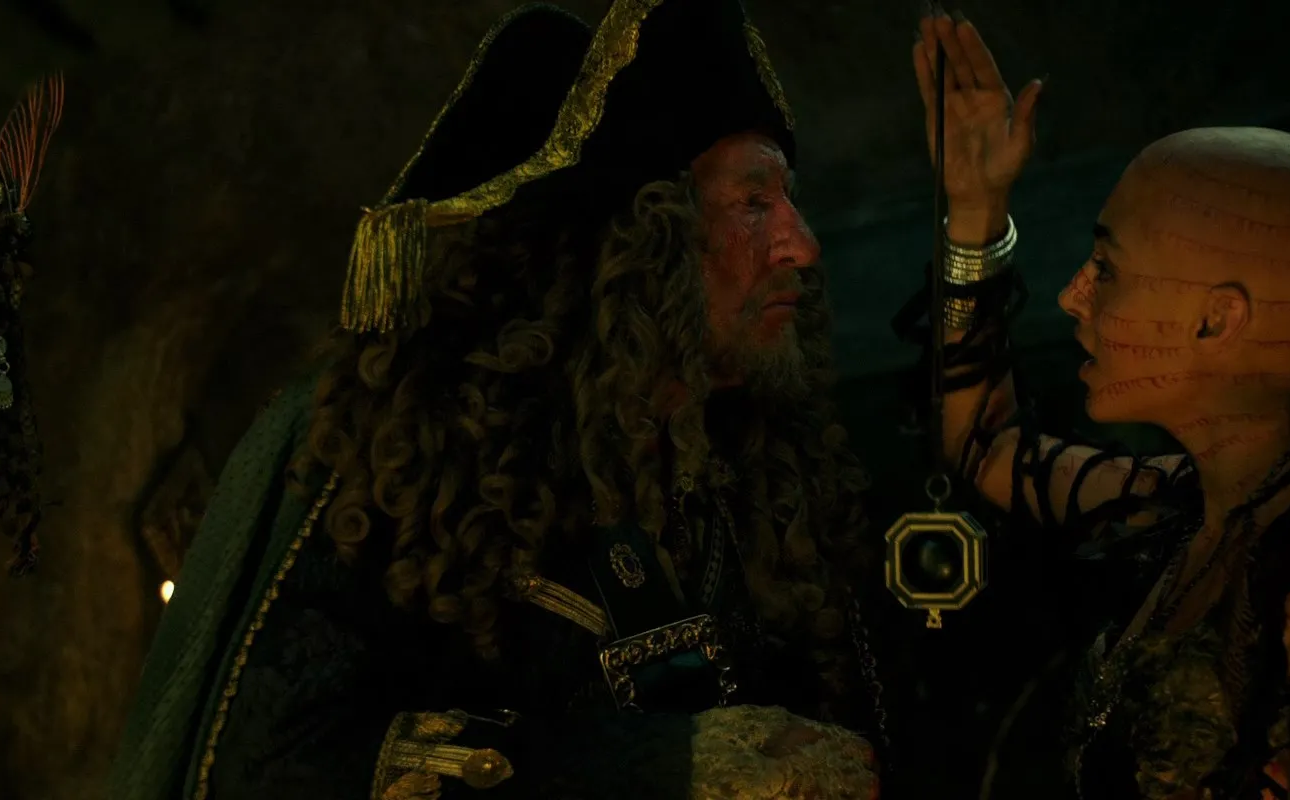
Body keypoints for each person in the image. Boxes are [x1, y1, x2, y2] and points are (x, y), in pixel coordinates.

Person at [108, 1, 883, 798]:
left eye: (788, 202)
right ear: (645, 242)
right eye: (754, 204)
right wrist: (656, 769)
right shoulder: (413, 447)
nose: (802, 244)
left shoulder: (747, 463)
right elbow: (275, 763)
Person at [899, 12, 1290, 799]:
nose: (1072, 296)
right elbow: (983, 447)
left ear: (1217, 318)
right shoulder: (1176, 508)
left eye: (1107, 269)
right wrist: (976, 210)